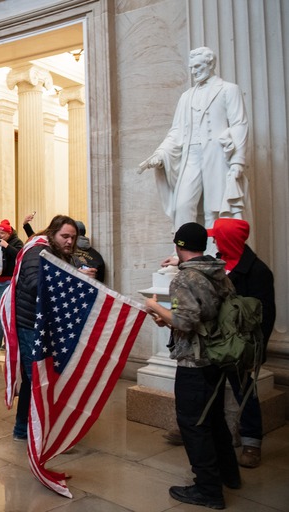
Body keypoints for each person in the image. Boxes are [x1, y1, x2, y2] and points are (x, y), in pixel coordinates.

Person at [145, 222, 241, 510]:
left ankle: (208, 490)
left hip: (194, 363)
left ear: (179, 246)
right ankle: (229, 475)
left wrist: (156, 307)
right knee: (214, 419)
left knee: (193, 424)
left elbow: (186, 321)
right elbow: (206, 316)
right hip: (217, 358)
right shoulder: (218, 272)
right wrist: (169, 319)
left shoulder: (184, 278)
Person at [140, 47, 249, 230]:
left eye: (197, 66)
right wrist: (160, 154)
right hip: (191, 155)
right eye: (191, 67)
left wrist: (238, 161)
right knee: (182, 204)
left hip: (217, 156)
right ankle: (183, 249)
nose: (193, 72)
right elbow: (176, 131)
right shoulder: (186, 97)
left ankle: (214, 253)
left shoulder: (229, 90)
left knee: (213, 209)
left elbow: (240, 124)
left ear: (210, 64)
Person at [208, 218, 276, 468]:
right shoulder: (217, 263)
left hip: (241, 346)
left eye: (217, 236)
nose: (213, 239)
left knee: (245, 392)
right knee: (206, 390)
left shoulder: (258, 272)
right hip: (215, 341)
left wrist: (256, 353)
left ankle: (251, 442)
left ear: (228, 240)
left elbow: (266, 316)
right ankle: (201, 430)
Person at [11, 215, 78, 441]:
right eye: (65, 236)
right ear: (53, 233)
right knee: (40, 380)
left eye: (73, 237)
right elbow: (32, 282)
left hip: (43, 325)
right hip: (30, 325)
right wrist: (73, 281)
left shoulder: (58, 253)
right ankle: (39, 432)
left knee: (33, 380)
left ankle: (22, 429)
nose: (69, 241)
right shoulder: (37, 251)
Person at [0, 219, 24, 354]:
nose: (0, 235)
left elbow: (20, 256)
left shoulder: (16, 242)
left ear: (9, 232)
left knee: (0, 312)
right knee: (3, 312)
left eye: (3, 233)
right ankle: (5, 342)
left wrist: (7, 246)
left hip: (8, 281)